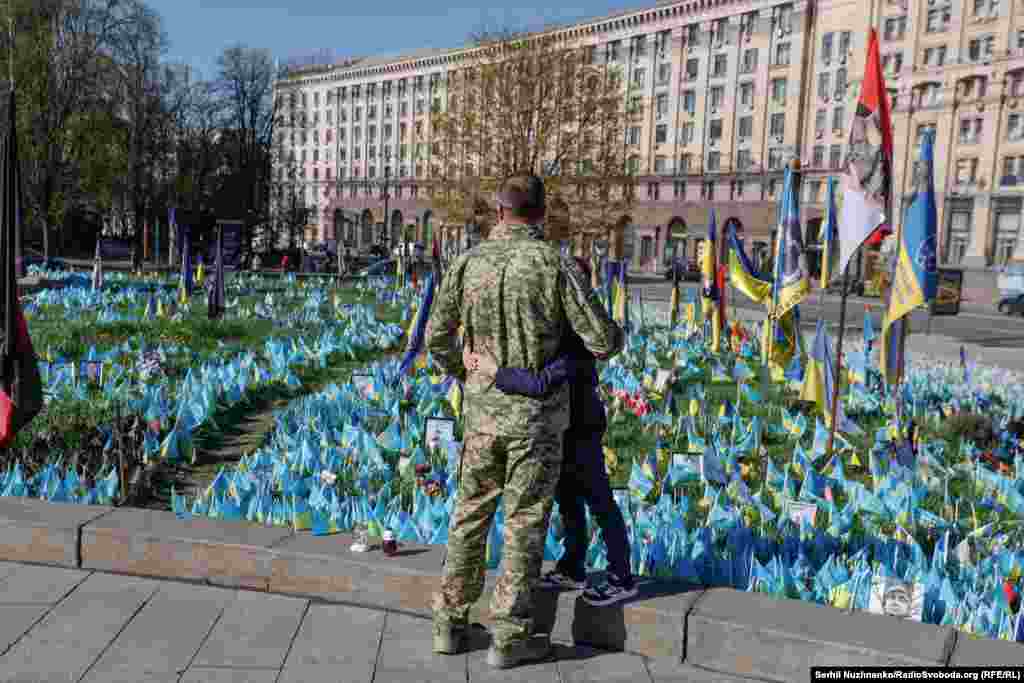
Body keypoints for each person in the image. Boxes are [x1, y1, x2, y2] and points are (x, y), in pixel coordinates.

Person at [425, 174, 623, 670]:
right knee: (524, 523)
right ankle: (510, 635)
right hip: (535, 424)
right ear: (541, 214)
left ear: (498, 212)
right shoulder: (553, 264)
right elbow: (603, 341)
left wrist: (466, 375)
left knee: (469, 514)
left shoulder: (467, 262)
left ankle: (449, 622)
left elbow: (435, 338)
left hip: (482, 418)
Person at [463, 256, 637, 607]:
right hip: (560, 428)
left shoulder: (578, 339)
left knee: (599, 500)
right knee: (568, 500)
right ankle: (573, 566)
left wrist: (494, 371)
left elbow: (541, 382)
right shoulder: (559, 330)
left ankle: (622, 576)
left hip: (581, 429)